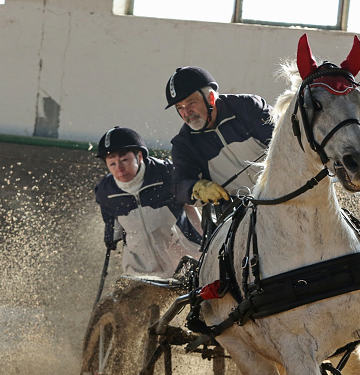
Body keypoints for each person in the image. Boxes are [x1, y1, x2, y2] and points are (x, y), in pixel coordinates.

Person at [94, 126, 202, 278]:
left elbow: (190, 199)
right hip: (140, 269)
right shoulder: (106, 191)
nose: (119, 168)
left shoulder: (165, 173)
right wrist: (110, 238)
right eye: (112, 164)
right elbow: (110, 219)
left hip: (184, 259)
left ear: (139, 156)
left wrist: (205, 236)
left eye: (124, 160)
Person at [165, 66, 275, 208]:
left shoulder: (249, 107)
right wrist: (195, 187)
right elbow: (179, 185)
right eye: (180, 107)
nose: (186, 113)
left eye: (191, 103)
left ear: (211, 98)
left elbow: (285, 144)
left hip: (284, 191)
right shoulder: (184, 143)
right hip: (240, 211)